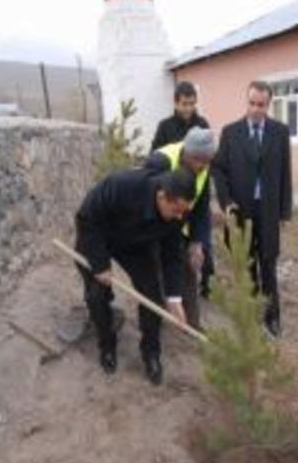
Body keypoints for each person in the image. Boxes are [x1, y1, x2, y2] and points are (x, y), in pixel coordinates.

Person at [74, 167, 196, 385]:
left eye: (183, 211)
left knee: (151, 296)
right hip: (97, 236)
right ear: (161, 196)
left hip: (135, 245)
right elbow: (86, 218)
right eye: (176, 210)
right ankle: (107, 344)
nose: (180, 216)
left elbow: (172, 255)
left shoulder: (179, 210)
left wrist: (175, 297)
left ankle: (151, 353)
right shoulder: (122, 185)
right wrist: (100, 264)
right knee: (97, 296)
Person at [211, 80, 293, 338]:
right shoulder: (230, 132)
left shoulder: (279, 132)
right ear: (246, 102)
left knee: (268, 264)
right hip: (240, 212)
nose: (256, 109)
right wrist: (226, 203)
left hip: (268, 211)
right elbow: (219, 169)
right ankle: (250, 314)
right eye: (252, 103)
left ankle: (272, 317)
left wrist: (283, 212)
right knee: (246, 266)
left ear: (269, 104)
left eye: (262, 105)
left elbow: (285, 173)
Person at [143, 127, 216, 330]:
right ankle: (156, 323)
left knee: (189, 270)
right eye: (198, 160)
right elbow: (146, 201)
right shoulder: (160, 162)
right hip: (154, 229)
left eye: (207, 161)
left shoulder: (203, 168)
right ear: (186, 152)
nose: (202, 166)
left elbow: (201, 208)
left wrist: (197, 242)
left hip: (178, 228)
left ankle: (191, 325)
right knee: (155, 272)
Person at [150, 81, 215, 298]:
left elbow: (203, 189)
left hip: (193, 203)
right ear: (176, 103)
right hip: (171, 201)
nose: (188, 108)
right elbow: (154, 168)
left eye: (192, 104)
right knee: (169, 255)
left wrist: (198, 240)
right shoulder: (165, 127)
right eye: (185, 104)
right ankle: (166, 295)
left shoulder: (203, 125)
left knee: (200, 251)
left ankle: (203, 287)